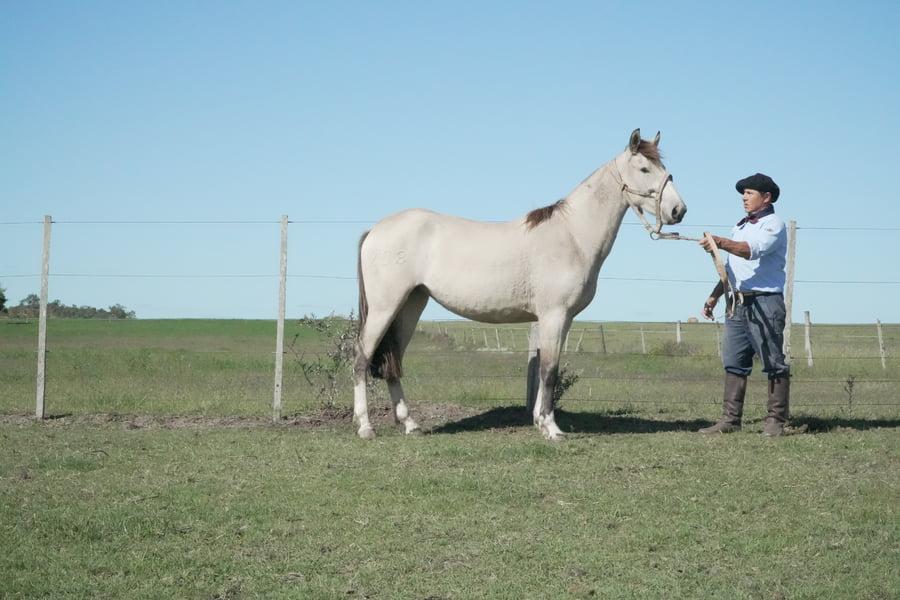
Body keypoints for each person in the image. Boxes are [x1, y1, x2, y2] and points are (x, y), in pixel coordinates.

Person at [698, 173, 790, 436]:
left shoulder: (774, 224)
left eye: (749, 193)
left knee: (773, 361)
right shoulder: (740, 226)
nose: (743, 197)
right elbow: (731, 267)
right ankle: (730, 420)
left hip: (766, 301)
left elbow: (751, 251)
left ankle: (775, 421)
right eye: (743, 193)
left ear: (766, 197)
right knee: (734, 361)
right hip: (736, 302)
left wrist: (720, 242)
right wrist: (715, 294)